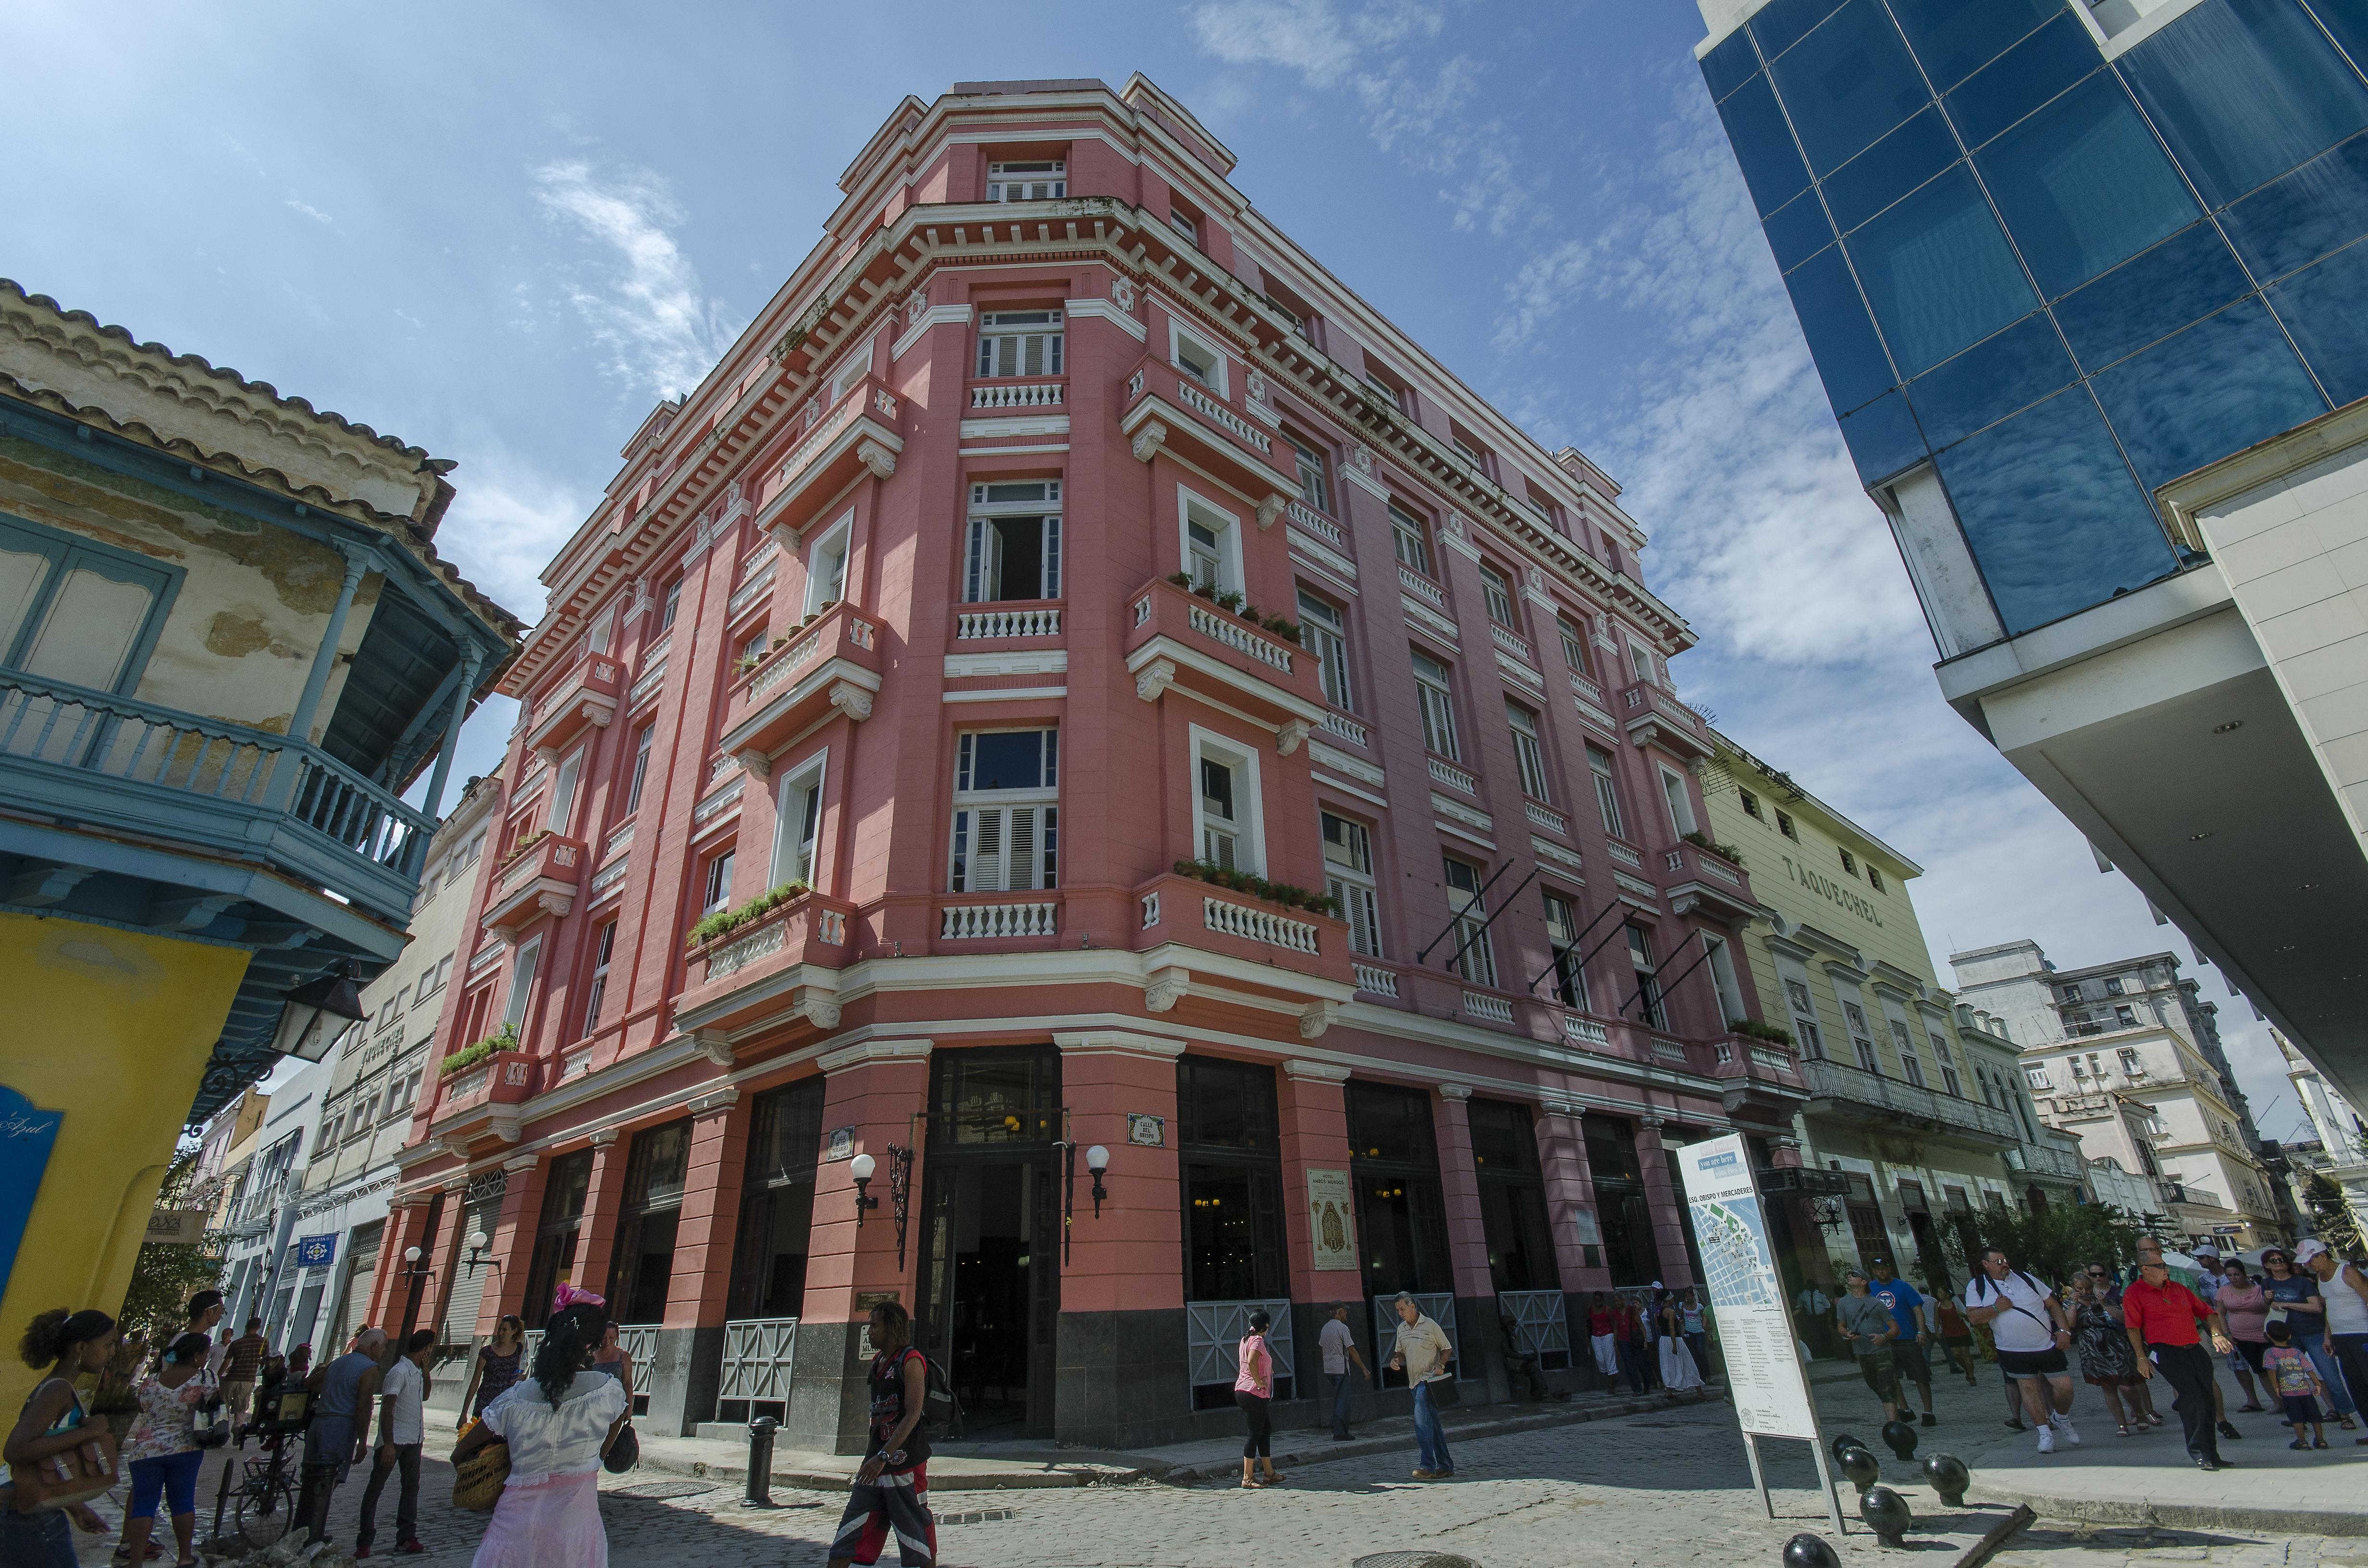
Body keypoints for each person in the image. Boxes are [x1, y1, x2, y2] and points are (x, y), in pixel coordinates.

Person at [454, 1302, 630, 1568]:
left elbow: (459, 1455)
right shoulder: (606, 1392)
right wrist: (597, 1458)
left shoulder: (514, 1399)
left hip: (513, 1527)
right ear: (590, 1348)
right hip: (575, 1528)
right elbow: (617, 1420)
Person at [4, 1309, 121, 1568]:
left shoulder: (61, 1387)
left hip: (31, 1508)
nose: (113, 1352)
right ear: (81, 1347)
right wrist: (89, 1432)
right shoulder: (58, 1389)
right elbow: (16, 1450)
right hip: (26, 1515)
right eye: (108, 1344)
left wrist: (76, 1507)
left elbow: (48, 1458)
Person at [826, 1300, 936, 1568]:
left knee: (916, 1538)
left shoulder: (911, 1362)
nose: (869, 1331)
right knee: (847, 1534)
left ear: (891, 1327)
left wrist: (884, 1456)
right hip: (875, 1467)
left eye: (875, 1325)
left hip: (904, 1464)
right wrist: (874, 1458)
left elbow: (913, 1413)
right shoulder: (877, 1362)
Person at [2123, 1250, 2236, 1470]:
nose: (2166, 1269)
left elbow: (2208, 1312)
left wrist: (2216, 1334)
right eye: (2161, 1266)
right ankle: (2199, 1453)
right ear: (2145, 1270)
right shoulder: (2134, 1293)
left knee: (2207, 1398)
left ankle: (2212, 1453)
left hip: (2193, 1348)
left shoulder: (2177, 1288)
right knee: (2192, 1397)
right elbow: (2133, 1327)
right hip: (2166, 1351)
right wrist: (2141, 1358)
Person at [1963, 1246, 2080, 1454]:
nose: (2005, 1264)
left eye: (2005, 1260)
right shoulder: (1977, 1286)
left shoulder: (2026, 1278)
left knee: (2065, 1388)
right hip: (2013, 1349)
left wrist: (2064, 1330)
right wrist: (1996, 1308)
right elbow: (1974, 1318)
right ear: (1986, 1265)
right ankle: (2044, 1433)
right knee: (2029, 1391)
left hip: (2045, 1345)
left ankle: (2060, 1417)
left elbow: (2053, 1305)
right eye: (1999, 1261)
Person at [116, 1329, 216, 1568]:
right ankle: (185, 1557)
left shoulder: (151, 1381)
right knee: (182, 1503)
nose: (206, 1359)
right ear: (196, 1356)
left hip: (146, 1451)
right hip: (186, 1449)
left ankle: (136, 1561)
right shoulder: (206, 1379)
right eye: (205, 1354)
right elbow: (214, 1406)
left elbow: (143, 1408)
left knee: (143, 1504)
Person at [297, 1326, 386, 1544]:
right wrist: (363, 1442)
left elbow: (308, 1384)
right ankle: (313, 1534)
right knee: (328, 1483)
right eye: (383, 1348)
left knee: (311, 1481)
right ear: (375, 1346)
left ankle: (302, 1531)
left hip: (319, 1425)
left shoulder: (338, 1362)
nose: (383, 1352)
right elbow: (363, 1407)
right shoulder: (369, 1368)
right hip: (340, 1426)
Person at [358, 1328, 437, 1557]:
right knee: (376, 1488)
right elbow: (388, 1409)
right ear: (426, 1348)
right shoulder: (399, 1371)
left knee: (411, 1488)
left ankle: (406, 1537)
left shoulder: (417, 1371)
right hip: (395, 1440)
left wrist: (426, 1370)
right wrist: (389, 1444)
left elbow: (425, 1396)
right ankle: (365, 1541)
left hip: (414, 1439)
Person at [2262, 1244, 2354, 1431]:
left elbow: (2316, 1308)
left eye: (2282, 1259)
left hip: (2313, 1332)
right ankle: (2301, 1417)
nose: (2279, 1263)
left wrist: (2287, 1304)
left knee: (2330, 1375)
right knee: (2291, 1379)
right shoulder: (2267, 1283)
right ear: (2267, 1265)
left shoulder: (2302, 1282)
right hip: (2287, 1336)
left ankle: (2345, 1414)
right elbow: (2269, 1309)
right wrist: (2266, 1299)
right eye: (2274, 1261)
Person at [2297, 1239, 2368, 1443]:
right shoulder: (2320, 1278)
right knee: (2356, 1385)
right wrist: (2328, 1335)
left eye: (2310, 1261)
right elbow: (2330, 1308)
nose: (2308, 1266)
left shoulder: (2347, 1272)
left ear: (2323, 1255)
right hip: (2341, 1337)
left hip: (2362, 1333)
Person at [1385, 1293, 1456, 1481]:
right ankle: (1446, 1465)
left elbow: (1447, 1348)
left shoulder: (1430, 1325)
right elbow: (1400, 1352)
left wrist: (1441, 1365)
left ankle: (1427, 1466)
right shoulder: (1402, 1329)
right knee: (1433, 1425)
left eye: (1403, 1309)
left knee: (1421, 1423)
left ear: (1413, 1307)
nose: (1400, 1313)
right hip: (1414, 1383)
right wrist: (1396, 1360)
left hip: (1429, 1381)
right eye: (1398, 1310)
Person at [2067, 1274, 2148, 1437]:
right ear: (2074, 1289)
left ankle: (2139, 1412)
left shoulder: (2102, 1299)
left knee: (2126, 1385)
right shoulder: (2070, 1304)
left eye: (2088, 1288)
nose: (2085, 1291)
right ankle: (2121, 1425)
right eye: (2080, 1289)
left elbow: (2123, 1318)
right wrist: (2073, 1304)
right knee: (2108, 1388)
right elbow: (2070, 1324)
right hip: (2092, 1351)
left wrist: (2104, 1304)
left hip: (2115, 1347)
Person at [1869, 1260, 1936, 1427]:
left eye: (1884, 1268)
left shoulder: (1903, 1286)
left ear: (1889, 1268)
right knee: (1891, 1377)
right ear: (1874, 1272)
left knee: (1920, 1376)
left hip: (1907, 1337)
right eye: (1878, 1270)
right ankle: (1905, 1409)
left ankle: (1928, 1411)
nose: (1881, 1272)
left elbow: (1917, 1310)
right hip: (1885, 1340)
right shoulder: (1870, 1289)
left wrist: (1921, 1331)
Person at [1835, 1268, 1903, 1423]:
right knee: (1873, 1384)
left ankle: (1893, 1424)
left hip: (1881, 1350)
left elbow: (1895, 1329)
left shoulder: (1876, 1303)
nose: (1849, 1277)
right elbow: (1841, 1326)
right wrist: (1847, 1334)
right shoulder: (1844, 1303)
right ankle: (1896, 1417)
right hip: (1862, 1351)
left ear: (1864, 1282)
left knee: (1887, 1384)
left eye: (1854, 1275)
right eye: (1849, 1274)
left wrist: (1884, 1337)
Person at [2261, 1321, 2331, 1450]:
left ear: (2269, 1336)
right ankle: (2321, 1440)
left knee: (2296, 1417)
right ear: (2289, 1336)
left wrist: (2276, 1388)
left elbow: (2271, 1372)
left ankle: (2302, 1441)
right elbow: (2309, 1369)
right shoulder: (2297, 1352)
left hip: (2288, 1391)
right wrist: (2316, 1383)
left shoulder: (2270, 1353)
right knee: (2315, 1415)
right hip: (2305, 1390)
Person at [1233, 1309, 1282, 1488]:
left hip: (1243, 1391)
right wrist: (1259, 1381)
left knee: (1265, 1429)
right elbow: (1252, 1361)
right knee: (1254, 1433)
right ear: (1266, 1325)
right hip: (1253, 1392)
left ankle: (1269, 1473)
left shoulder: (1245, 1339)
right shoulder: (1258, 1340)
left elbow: (1252, 1362)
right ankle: (1248, 1477)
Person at [2217, 1259, 2272, 1414]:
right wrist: (2225, 1333)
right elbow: (2220, 1313)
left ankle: (2281, 1400)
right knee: (2251, 1369)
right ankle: (2262, 1401)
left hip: (2264, 1335)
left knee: (2269, 1369)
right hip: (2239, 1336)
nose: (2234, 1278)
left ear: (2244, 1273)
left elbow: (2267, 1307)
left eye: (2237, 1274)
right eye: (2230, 1275)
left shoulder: (2259, 1288)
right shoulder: (2224, 1291)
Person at [459, 1316, 529, 1429]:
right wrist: (464, 1414)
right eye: (499, 1329)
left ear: (514, 1331)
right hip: (486, 1404)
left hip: (506, 1404)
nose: (500, 1333)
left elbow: (525, 1372)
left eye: (505, 1330)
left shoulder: (519, 1349)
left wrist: (522, 1378)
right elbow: (475, 1382)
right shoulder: (487, 1352)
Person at [1317, 1304, 1369, 1441]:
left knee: (1338, 1399)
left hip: (1329, 1369)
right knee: (1343, 1401)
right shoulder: (1342, 1328)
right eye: (1345, 1313)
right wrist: (1364, 1369)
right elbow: (1352, 1351)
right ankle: (1340, 1432)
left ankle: (1337, 1427)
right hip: (1341, 1368)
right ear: (1340, 1313)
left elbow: (1322, 1349)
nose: (1346, 1315)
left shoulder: (1325, 1328)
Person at [219, 1316, 270, 1438]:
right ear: (259, 1328)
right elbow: (266, 1360)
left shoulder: (236, 1343)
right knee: (241, 1408)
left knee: (224, 1406)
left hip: (231, 1378)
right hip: (248, 1379)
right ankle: (237, 1428)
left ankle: (222, 1432)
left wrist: (217, 1377)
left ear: (246, 1327)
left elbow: (226, 1363)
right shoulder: (264, 1342)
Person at [1496, 1303, 1554, 1402]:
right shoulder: (1503, 1336)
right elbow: (1509, 1353)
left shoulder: (1509, 1336)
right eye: (1511, 1325)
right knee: (1532, 1366)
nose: (1514, 1328)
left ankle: (1539, 1392)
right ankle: (1542, 1394)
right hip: (1510, 1367)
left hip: (1514, 1364)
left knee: (1533, 1366)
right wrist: (1525, 1358)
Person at [1656, 1293, 1705, 1400]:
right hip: (1675, 1340)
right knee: (1688, 1362)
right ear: (1669, 1300)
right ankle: (1700, 1392)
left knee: (1668, 1365)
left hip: (1664, 1340)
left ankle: (1669, 1390)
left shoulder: (1659, 1311)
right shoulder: (1671, 1312)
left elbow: (1658, 1326)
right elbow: (1672, 1329)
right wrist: (1674, 1344)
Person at [1930, 1283, 1977, 1384]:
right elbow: (1937, 1318)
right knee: (1956, 1354)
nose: (1939, 1294)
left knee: (1965, 1353)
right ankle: (1968, 1370)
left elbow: (1967, 1314)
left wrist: (1962, 1315)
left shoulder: (1955, 1302)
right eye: (1938, 1292)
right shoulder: (1937, 1305)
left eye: (1941, 1292)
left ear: (1947, 1294)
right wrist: (1937, 1331)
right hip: (1949, 1332)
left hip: (1962, 1330)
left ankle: (1971, 1376)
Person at [591, 1320, 635, 1403]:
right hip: (596, 1403)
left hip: (617, 1403)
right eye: (604, 1337)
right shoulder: (593, 1355)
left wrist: (629, 1408)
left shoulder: (624, 1356)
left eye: (611, 1338)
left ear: (617, 1336)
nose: (607, 1341)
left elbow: (627, 1383)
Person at [1612, 1297, 1646, 1395]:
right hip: (1623, 1340)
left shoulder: (1631, 1310)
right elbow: (1616, 1328)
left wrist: (1645, 1339)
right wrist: (1616, 1344)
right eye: (1615, 1301)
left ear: (1623, 1300)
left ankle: (1646, 1384)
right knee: (1629, 1365)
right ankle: (1637, 1389)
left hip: (1635, 1339)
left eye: (1618, 1300)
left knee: (1641, 1363)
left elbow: (1640, 1325)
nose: (1616, 1303)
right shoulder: (1615, 1313)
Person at [1794, 1281, 1835, 1360]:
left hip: (1821, 1317)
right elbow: (1800, 1307)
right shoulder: (1803, 1295)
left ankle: (1829, 1353)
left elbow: (1827, 1306)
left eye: (1813, 1285)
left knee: (1825, 1334)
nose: (1811, 1287)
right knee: (1815, 1335)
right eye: (1809, 1285)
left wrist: (1829, 1317)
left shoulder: (1820, 1294)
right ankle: (1818, 1353)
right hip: (1811, 1318)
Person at [1586, 1293, 1619, 1380]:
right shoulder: (1591, 1308)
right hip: (1596, 1336)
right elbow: (1588, 1323)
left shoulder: (1608, 1310)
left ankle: (1611, 1381)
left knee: (1609, 1358)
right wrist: (1588, 1336)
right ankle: (1611, 1377)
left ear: (1603, 1300)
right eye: (1596, 1301)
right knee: (1600, 1359)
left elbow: (1614, 1324)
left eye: (1599, 1301)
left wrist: (1615, 1340)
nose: (1598, 1303)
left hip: (1607, 1335)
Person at [1679, 1288, 1710, 1381]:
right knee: (1694, 1354)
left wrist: (1707, 1332)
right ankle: (1700, 1375)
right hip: (1689, 1331)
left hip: (1699, 1331)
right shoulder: (1682, 1305)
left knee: (1701, 1353)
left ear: (1693, 1296)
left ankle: (1707, 1373)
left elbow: (1703, 1318)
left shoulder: (1699, 1306)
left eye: (1690, 1296)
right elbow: (1682, 1318)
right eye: (1686, 1297)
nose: (1688, 1298)